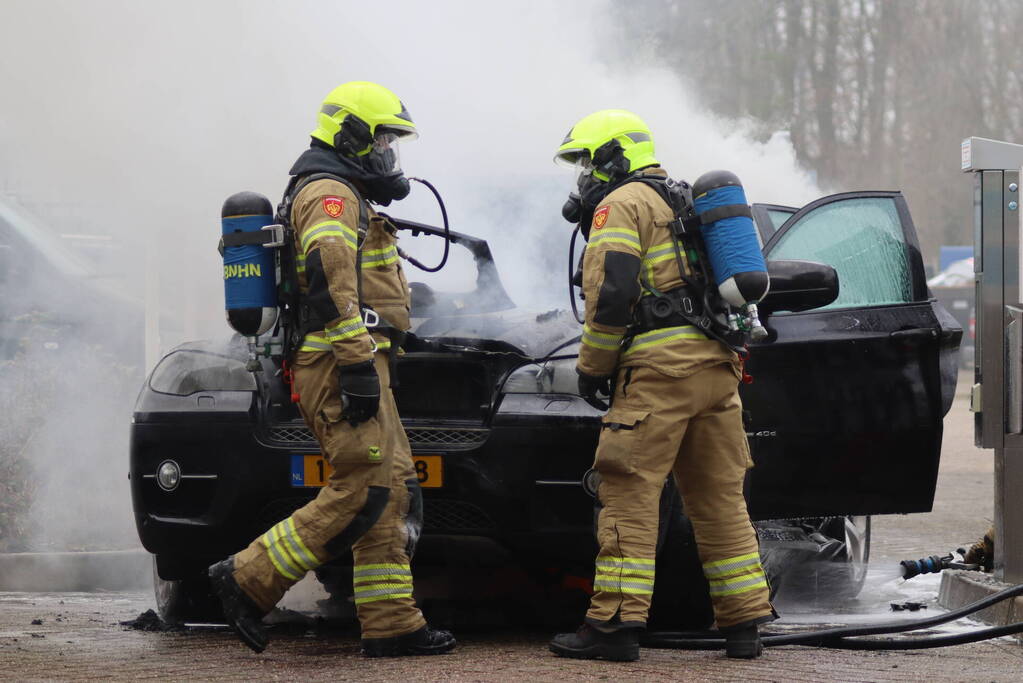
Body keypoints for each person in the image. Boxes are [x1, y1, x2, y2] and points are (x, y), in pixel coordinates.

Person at [208, 81, 455, 658]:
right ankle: (247, 577)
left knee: (392, 486)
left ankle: (391, 623)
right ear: (353, 137)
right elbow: (329, 278)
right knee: (363, 486)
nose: (390, 154)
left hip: (353, 356)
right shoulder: (330, 194)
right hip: (337, 359)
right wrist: (356, 364)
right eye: (384, 140)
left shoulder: (343, 193)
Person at [547, 109, 775, 662]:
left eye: (586, 163)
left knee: (628, 493)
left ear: (612, 156)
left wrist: (593, 367)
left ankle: (613, 627)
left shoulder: (621, 204)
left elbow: (612, 293)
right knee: (720, 498)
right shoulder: (682, 198)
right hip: (715, 368)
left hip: (657, 373)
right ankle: (744, 623)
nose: (583, 177)